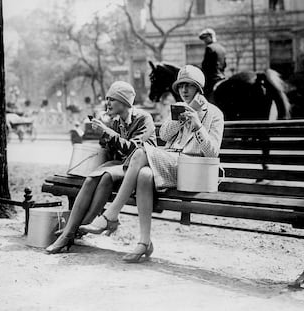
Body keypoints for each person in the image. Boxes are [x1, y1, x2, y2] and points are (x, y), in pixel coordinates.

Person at [79, 65, 224, 262]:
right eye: (181, 86)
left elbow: (212, 152)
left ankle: (110, 214)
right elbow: (163, 135)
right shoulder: (179, 109)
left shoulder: (214, 113)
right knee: (144, 174)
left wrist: (197, 124)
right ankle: (144, 241)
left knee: (140, 153)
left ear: (199, 89)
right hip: (171, 163)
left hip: (192, 169)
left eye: (189, 86)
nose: (184, 90)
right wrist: (181, 119)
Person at [46, 81, 156, 254]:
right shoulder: (116, 122)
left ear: (124, 102)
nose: (108, 103)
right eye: (108, 99)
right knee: (91, 178)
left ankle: (72, 232)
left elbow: (134, 150)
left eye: (112, 99)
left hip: (141, 166)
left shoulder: (143, 118)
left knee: (105, 176)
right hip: (121, 166)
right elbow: (112, 153)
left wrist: (107, 132)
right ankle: (71, 231)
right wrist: (104, 134)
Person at [199, 28, 227, 100]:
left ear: (211, 37)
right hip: (222, 77)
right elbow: (224, 65)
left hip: (212, 79)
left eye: (206, 38)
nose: (204, 41)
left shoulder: (209, 48)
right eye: (203, 39)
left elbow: (206, 66)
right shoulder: (222, 48)